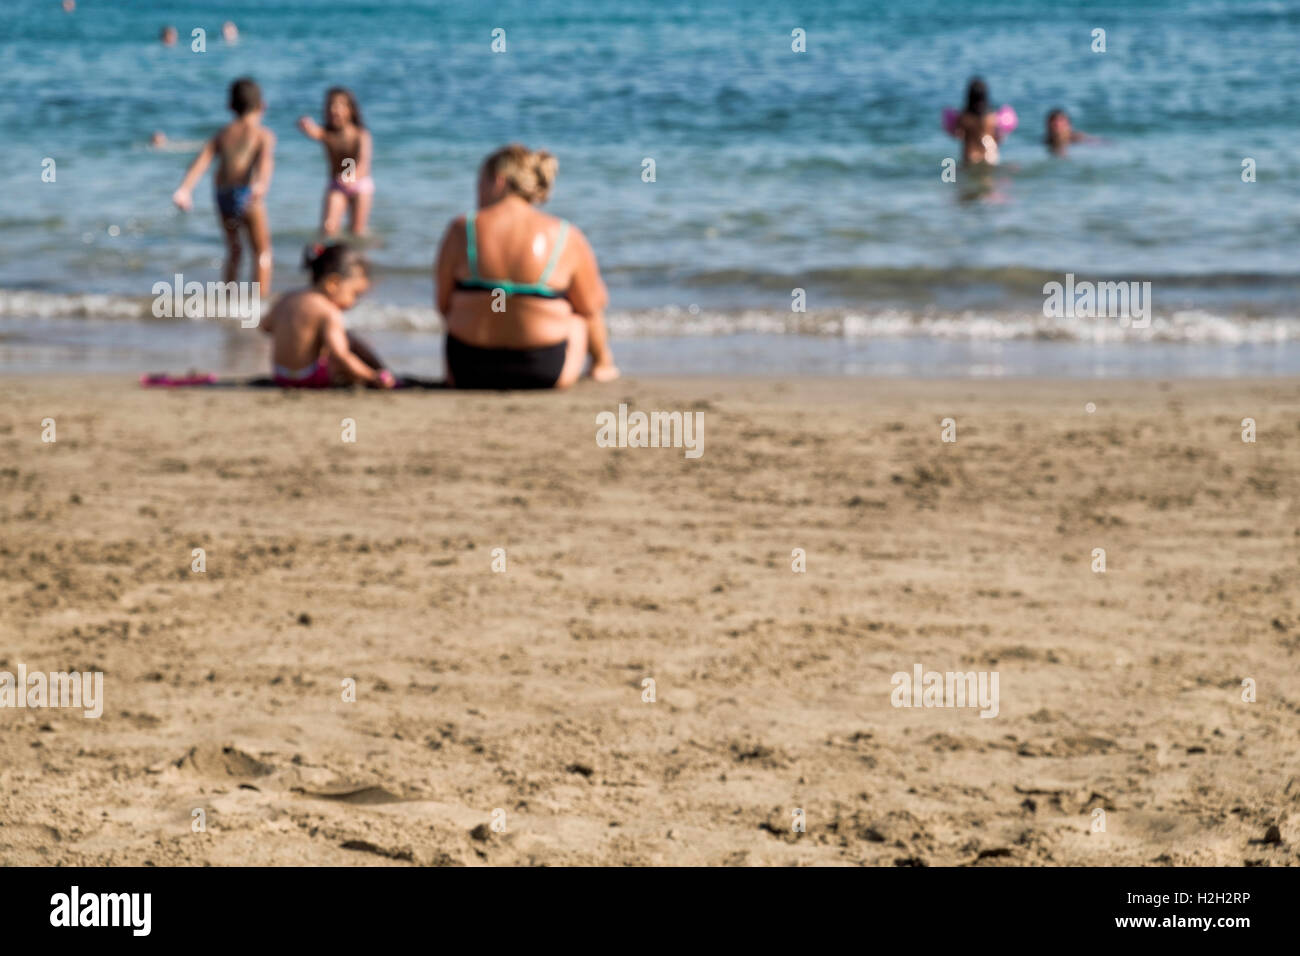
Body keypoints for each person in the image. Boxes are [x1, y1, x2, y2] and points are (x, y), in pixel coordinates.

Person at [434, 144, 618, 389]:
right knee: (580, 315)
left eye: (479, 182)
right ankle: (603, 365)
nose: (476, 190)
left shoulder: (461, 228)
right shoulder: (565, 234)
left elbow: (443, 303)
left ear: (498, 181)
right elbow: (591, 306)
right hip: (543, 369)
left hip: (468, 368)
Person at [172, 78, 276, 295]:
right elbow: (265, 162)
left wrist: (185, 190)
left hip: (223, 196)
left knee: (235, 250)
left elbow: (201, 161)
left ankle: (228, 299)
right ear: (262, 106)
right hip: (248, 194)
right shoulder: (263, 135)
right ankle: (261, 301)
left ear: (230, 106)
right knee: (262, 251)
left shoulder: (222, 134)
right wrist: (262, 184)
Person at [260, 243, 395, 389]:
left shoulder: (286, 298)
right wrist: (371, 377)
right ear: (333, 283)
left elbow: (265, 326)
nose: (353, 303)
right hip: (309, 377)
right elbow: (340, 355)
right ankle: (379, 374)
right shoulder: (328, 311)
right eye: (354, 294)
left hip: (281, 376)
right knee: (347, 340)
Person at [297, 88, 374, 236]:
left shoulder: (361, 134)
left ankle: (355, 255)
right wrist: (305, 125)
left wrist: (352, 176)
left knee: (357, 231)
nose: (334, 109)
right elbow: (313, 131)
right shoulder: (326, 133)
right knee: (328, 228)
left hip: (360, 184)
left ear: (351, 110)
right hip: (337, 185)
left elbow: (363, 161)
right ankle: (329, 254)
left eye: (340, 105)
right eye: (330, 105)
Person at [950, 77, 1003, 165]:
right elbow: (999, 137)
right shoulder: (992, 117)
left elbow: (958, 134)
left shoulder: (964, 117)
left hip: (971, 154)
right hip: (990, 154)